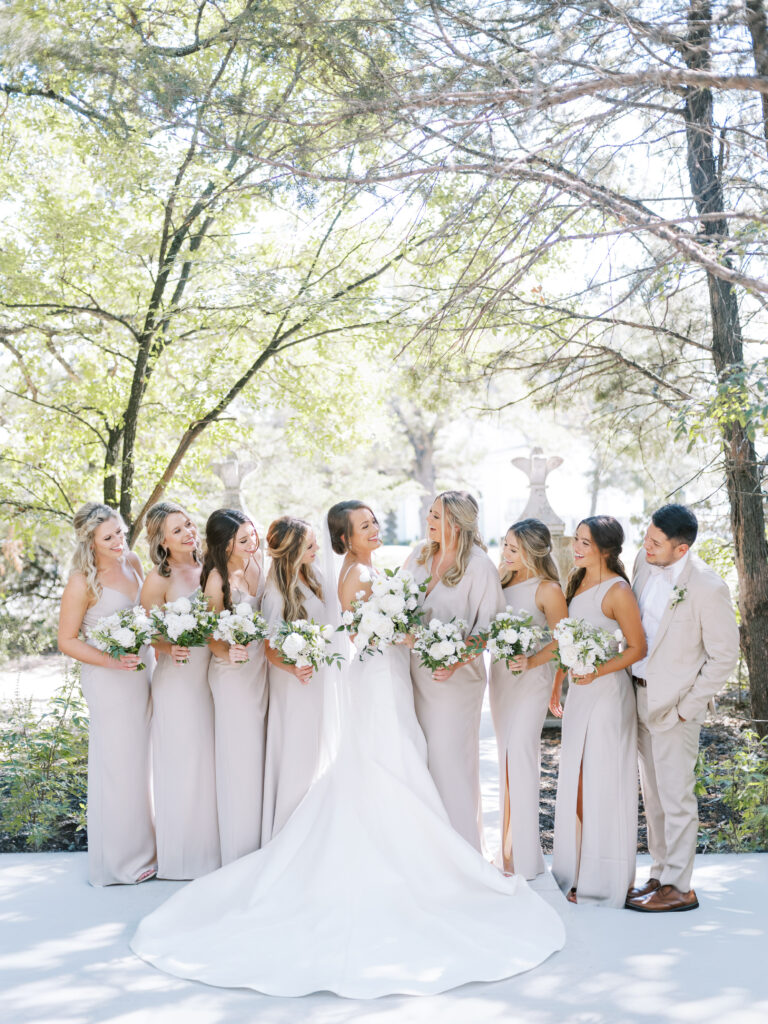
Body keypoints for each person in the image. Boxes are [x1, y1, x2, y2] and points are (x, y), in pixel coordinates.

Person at [130, 500, 565, 998]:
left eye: (377, 520)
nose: (377, 527)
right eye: (365, 525)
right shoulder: (358, 573)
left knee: (403, 756)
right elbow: (362, 629)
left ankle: (436, 845)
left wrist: (421, 638)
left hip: (396, 672)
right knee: (387, 757)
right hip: (381, 672)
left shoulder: (384, 566)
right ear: (345, 539)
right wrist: (408, 635)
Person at [626, 504, 739, 913]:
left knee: (676, 799)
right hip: (638, 695)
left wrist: (686, 709)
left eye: (656, 542)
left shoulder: (708, 586)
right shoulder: (643, 561)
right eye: (647, 535)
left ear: (682, 548)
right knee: (653, 798)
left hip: (675, 708)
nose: (646, 545)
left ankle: (680, 887)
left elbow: (724, 656)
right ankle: (660, 875)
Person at [57, 502, 156, 886]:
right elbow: (66, 640)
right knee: (117, 766)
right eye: (109, 537)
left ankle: (146, 850)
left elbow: (145, 611)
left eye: (121, 532)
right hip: (109, 679)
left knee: (141, 764)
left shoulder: (132, 561)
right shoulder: (82, 580)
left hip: (142, 672)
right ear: (90, 541)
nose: (119, 541)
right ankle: (120, 862)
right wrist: (111, 662)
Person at [550, 515, 646, 907]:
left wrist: (595, 670)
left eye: (585, 543)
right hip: (580, 694)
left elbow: (637, 648)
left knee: (602, 781)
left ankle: (602, 877)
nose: (576, 548)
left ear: (605, 548)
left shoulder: (618, 590)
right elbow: (566, 642)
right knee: (575, 780)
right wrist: (557, 686)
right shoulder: (577, 582)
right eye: (577, 540)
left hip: (608, 696)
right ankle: (576, 867)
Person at [404, 491, 503, 850]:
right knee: (418, 760)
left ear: (457, 524)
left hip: (456, 682)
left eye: (436, 517)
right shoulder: (418, 554)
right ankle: (425, 850)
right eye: (429, 514)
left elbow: (488, 629)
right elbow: (396, 603)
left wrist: (454, 660)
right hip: (411, 674)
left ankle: (463, 850)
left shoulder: (480, 567)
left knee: (450, 763)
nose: (428, 522)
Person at [141, 501, 220, 880]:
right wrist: (170, 646)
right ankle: (181, 857)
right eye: (177, 530)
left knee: (208, 762)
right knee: (182, 763)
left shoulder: (211, 566)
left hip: (212, 675)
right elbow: (149, 631)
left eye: (188, 524)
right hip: (178, 680)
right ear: (162, 542)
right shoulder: (160, 577)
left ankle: (210, 851)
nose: (188, 532)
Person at [489, 518, 568, 879]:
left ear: (533, 552)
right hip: (502, 679)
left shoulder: (548, 589)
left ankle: (524, 857)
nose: (505, 553)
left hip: (532, 679)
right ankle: (505, 852)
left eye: (514, 549)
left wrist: (532, 661)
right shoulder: (499, 580)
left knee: (520, 756)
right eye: (505, 545)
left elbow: (563, 640)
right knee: (505, 759)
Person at [204, 509, 267, 863]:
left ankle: (261, 839)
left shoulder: (257, 564)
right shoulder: (217, 579)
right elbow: (210, 636)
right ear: (224, 546)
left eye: (252, 535)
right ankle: (237, 850)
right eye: (243, 540)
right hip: (232, 674)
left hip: (261, 669)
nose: (251, 543)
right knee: (238, 756)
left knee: (258, 754)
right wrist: (230, 651)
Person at [261, 516, 327, 843]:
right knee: (298, 751)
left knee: (314, 748)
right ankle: (289, 832)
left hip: (315, 680)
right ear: (291, 550)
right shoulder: (276, 592)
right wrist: (293, 667)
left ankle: (311, 826)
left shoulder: (311, 575)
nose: (316, 549)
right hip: (294, 683)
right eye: (309, 545)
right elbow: (269, 647)